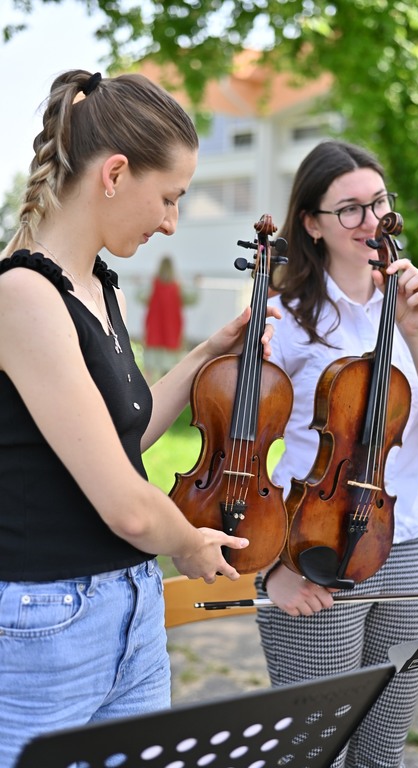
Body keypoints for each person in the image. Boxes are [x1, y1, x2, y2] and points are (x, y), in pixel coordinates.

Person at [0, 69, 278, 768]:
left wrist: (208, 353)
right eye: (169, 197)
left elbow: (123, 438)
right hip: (46, 624)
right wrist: (188, 540)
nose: (171, 222)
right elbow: (127, 506)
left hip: (130, 605)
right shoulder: (22, 297)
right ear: (116, 173)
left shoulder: (100, 287)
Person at [255, 141, 418, 768]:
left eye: (378, 202)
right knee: (315, 753)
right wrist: (271, 567)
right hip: (313, 551)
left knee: (383, 754)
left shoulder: (416, 306)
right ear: (312, 223)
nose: (371, 220)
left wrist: (415, 332)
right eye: (349, 208)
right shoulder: (283, 317)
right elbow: (243, 456)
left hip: (403, 545)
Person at [144, 254, 184, 384]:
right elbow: (192, 299)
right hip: (171, 331)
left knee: (150, 370)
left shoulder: (152, 285)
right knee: (167, 371)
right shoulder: (178, 286)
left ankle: (148, 391)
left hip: (154, 331)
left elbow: (140, 296)